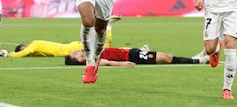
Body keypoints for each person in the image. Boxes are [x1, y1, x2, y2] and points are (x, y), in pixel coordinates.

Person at [0, 15, 121, 57]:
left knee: (103, 49)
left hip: (70, 50)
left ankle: (108, 26)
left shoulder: (34, 44)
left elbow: (23, 53)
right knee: (102, 48)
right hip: (69, 46)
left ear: (23, 47)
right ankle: (107, 27)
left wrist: (7, 54)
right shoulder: (38, 50)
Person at [65, 46, 209, 66]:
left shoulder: (92, 51)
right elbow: (106, 62)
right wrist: (123, 64)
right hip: (133, 57)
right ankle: (198, 60)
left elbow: (116, 50)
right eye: (76, 54)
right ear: (78, 61)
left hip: (133, 52)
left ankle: (195, 59)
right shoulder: (92, 61)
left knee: (166, 56)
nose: (77, 51)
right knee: (167, 58)